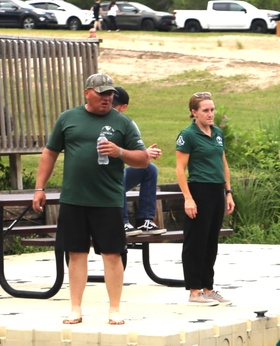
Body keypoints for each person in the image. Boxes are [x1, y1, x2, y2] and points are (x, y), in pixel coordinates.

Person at [31, 73, 149, 325]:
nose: (106, 98)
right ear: (87, 92)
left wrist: (119, 152)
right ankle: (75, 308)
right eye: (101, 94)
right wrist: (39, 188)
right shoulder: (68, 118)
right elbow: (50, 153)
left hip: (107, 199)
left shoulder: (123, 123)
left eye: (110, 95)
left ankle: (114, 309)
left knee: (112, 254)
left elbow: (143, 159)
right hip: (74, 198)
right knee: (75, 253)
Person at [175, 91, 235, 306]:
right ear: (194, 112)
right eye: (205, 110)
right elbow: (180, 169)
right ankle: (194, 290)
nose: (210, 114)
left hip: (217, 190)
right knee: (196, 242)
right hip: (199, 189)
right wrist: (188, 198)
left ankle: (208, 288)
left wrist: (228, 192)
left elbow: (223, 164)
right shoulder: (188, 135)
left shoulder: (217, 133)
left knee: (211, 241)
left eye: (212, 110)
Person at [111, 87, 165, 236]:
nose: (110, 108)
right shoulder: (99, 121)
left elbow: (134, 154)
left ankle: (145, 220)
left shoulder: (127, 124)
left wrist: (144, 154)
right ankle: (122, 222)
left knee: (150, 169)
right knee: (119, 173)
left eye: (114, 106)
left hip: (116, 179)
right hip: (101, 178)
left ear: (124, 107)